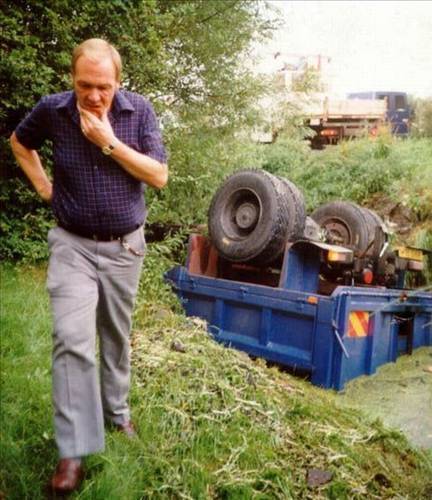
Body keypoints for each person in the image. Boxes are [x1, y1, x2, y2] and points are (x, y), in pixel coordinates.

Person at [10, 38, 168, 495]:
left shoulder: (139, 112)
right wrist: (45, 189)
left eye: (103, 86)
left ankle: (117, 414)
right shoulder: (53, 111)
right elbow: (20, 143)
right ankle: (74, 449)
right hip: (71, 246)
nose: (94, 96)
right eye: (85, 85)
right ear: (71, 80)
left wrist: (109, 142)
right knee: (71, 341)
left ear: (118, 82)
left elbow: (158, 176)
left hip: (125, 248)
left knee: (114, 337)